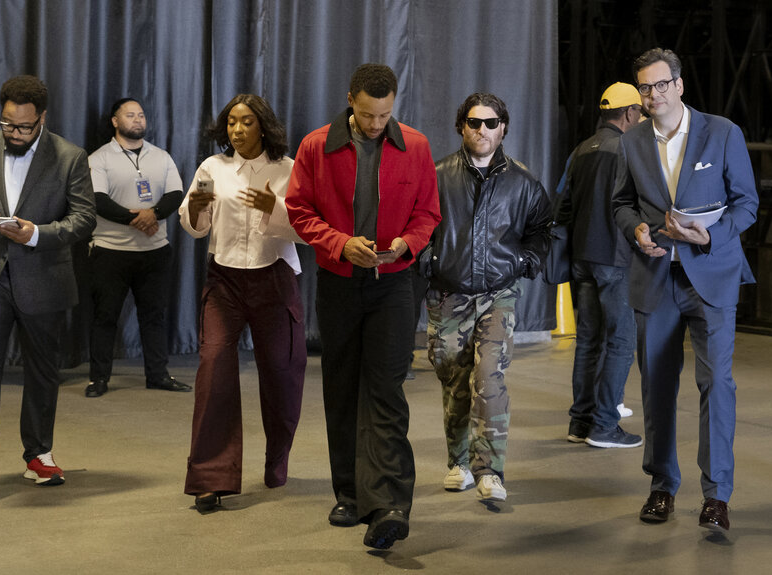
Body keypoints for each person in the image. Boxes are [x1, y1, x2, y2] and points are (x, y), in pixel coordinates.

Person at [286, 63, 440, 550]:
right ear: (351, 100)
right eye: (370, 115)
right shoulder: (316, 145)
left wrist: (406, 244)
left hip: (394, 284)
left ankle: (390, 503)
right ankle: (349, 494)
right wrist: (337, 242)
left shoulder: (414, 145)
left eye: (386, 115)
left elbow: (428, 213)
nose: (377, 125)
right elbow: (298, 208)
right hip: (338, 282)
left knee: (387, 390)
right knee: (343, 385)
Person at [612, 48, 758, 532]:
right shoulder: (630, 141)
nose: (652, 96)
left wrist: (712, 235)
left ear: (678, 85)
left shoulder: (723, 132)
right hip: (654, 278)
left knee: (717, 384)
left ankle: (717, 496)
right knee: (657, 386)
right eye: (644, 89)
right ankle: (661, 487)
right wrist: (635, 230)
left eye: (659, 86)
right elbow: (621, 204)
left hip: (711, 276)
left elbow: (747, 204)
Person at [0, 75, 95, 497]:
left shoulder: (69, 156)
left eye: (24, 127)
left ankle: (38, 455)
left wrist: (36, 234)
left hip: (43, 276)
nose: (15, 133)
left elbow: (84, 219)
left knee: (43, 372)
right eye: (8, 124)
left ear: (42, 118)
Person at [180, 94, 306, 514]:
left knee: (283, 373)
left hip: (274, 277)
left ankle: (278, 456)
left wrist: (277, 208)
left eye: (246, 122)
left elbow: (308, 230)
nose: (236, 129)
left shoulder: (288, 169)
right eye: (231, 122)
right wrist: (195, 210)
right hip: (225, 280)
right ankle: (210, 479)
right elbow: (194, 225)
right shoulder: (213, 167)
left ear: (263, 126)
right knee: (214, 366)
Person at [425, 93, 551, 504]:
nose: (483, 130)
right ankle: (458, 462)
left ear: (504, 128)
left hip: (499, 293)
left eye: (491, 123)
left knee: (489, 377)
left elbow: (542, 230)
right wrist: (430, 261)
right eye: (475, 123)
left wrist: (524, 261)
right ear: (461, 126)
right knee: (455, 378)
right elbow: (417, 223)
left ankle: (490, 471)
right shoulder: (437, 175)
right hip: (448, 294)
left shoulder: (523, 182)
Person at [556, 83, 645, 448]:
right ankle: (606, 425)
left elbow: (562, 208)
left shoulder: (581, 151)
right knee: (622, 340)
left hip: (582, 260)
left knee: (589, 341)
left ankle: (580, 422)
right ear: (629, 114)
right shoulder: (627, 149)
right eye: (640, 113)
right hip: (617, 259)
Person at [84, 98, 190, 398]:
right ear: (115, 122)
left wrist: (153, 214)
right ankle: (99, 378)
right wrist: (140, 218)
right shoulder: (99, 158)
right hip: (110, 251)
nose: (138, 120)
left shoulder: (161, 156)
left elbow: (175, 194)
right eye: (130, 115)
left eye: (141, 115)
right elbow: (98, 200)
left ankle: (157, 374)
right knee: (105, 317)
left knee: (154, 317)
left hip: (155, 252)